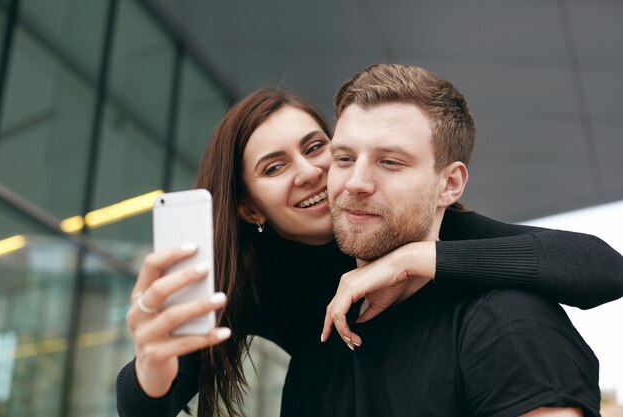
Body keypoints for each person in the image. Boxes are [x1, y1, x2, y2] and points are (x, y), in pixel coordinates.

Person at [116, 88, 623, 417]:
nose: (309, 172)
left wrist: (412, 260)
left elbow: (602, 268)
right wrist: (150, 364)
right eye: (274, 168)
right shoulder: (252, 283)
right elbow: (144, 403)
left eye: (316, 148)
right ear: (250, 210)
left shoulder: (400, 229)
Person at [281, 64, 601, 417]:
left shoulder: (506, 323)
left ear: (449, 184)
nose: (356, 182)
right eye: (344, 158)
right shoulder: (313, 365)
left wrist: (410, 260)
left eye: (390, 162)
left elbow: (602, 265)